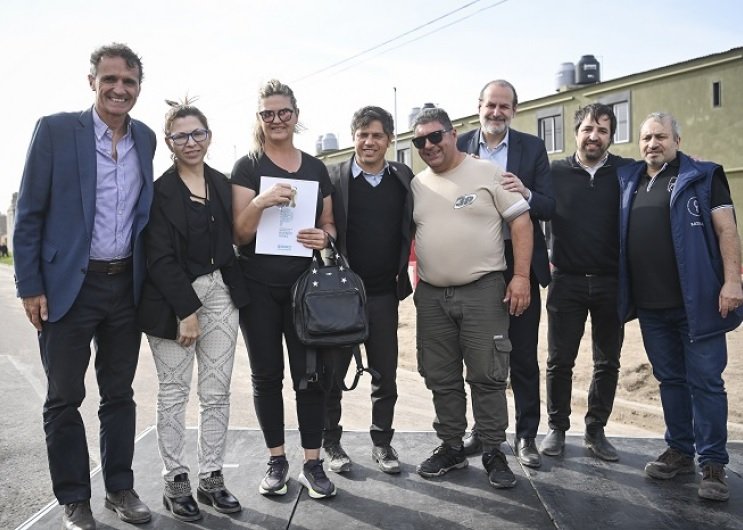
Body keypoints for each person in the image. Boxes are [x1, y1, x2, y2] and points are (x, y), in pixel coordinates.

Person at [13, 43, 154, 530]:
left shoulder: (147, 139)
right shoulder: (55, 131)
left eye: (129, 82)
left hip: (124, 287)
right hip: (68, 287)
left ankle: (119, 488)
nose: (120, 89)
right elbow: (28, 213)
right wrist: (30, 285)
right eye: (110, 79)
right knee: (64, 397)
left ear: (139, 88)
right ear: (91, 81)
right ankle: (74, 498)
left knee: (119, 394)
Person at [618, 112, 743, 502]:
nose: (652, 144)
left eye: (660, 137)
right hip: (652, 307)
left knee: (706, 382)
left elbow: (727, 230)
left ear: (677, 140)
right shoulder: (631, 181)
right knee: (669, 380)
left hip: (698, 303)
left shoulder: (704, 176)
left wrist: (733, 279)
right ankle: (679, 450)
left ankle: (712, 463)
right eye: (646, 138)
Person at [137, 100, 249, 521]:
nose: (191, 142)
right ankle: (175, 480)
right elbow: (159, 258)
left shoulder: (223, 184)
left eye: (197, 133)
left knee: (216, 392)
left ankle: (212, 478)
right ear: (169, 142)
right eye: (181, 135)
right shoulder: (159, 191)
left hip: (222, 293)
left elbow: (239, 236)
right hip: (172, 300)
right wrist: (187, 311)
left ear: (209, 136)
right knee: (173, 393)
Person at [411, 107, 533, 489]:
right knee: (440, 376)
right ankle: (450, 446)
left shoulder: (487, 172)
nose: (429, 145)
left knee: (488, 375)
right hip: (431, 295)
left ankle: (494, 450)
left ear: (454, 133)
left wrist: (522, 277)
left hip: (482, 291)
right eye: (420, 141)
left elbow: (522, 221)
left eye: (436, 136)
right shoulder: (417, 184)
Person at [231, 79, 338, 499]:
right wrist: (261, 202)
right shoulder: (247, 166)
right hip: (256, 287)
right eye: (267, 113)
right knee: (266, 376)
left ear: (296, 114)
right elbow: (239, 235)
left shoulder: (315, 169)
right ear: (259, 118)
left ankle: (313, 462)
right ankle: (277, 459)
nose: (276, 120)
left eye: (283, 112)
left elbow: (329, 224)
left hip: (303, 291)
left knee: (309, 377)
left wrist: (324, 238)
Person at [457, 80, 553, 468]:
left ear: (515, 110)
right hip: (473, 266)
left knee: (524, 356)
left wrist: (526, 192)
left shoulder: (532, 148)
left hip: (520, 266)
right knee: (479, 357)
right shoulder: (459, 145)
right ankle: (483, 430)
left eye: (505, 107)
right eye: (490, 105)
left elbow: (549, 206)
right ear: (478, 106)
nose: (497, 112)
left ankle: (526, 435)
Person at [322, 106, 414, 475]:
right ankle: (331, 443)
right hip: (342, 296)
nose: (369, 141)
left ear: (389, 141)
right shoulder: (334, 178)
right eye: (362, 134)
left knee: (384, 374)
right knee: (332, 375)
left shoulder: (403, 177)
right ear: (353, 137)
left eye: (377, 135)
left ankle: (382, 443)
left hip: (383, 296)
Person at [540, 103, 634, 462]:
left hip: (612, 282)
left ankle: (596, 430)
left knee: (607, 361)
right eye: (588, 129)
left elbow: (665, 165)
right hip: (567, 281)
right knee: (559, 360)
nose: (594, 136)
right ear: (576, 133)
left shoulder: (627, 171)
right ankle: (556, 428)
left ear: (610, 136)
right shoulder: (553, 173)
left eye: (603, 130)